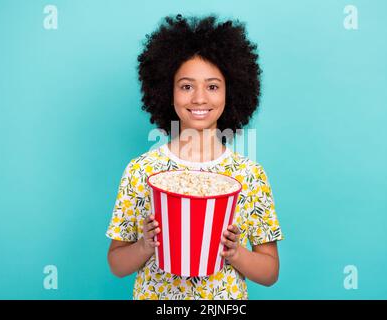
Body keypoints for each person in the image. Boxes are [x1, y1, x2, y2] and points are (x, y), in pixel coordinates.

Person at [106, 14, 284, 300]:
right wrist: (144, 246)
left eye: (212, 86)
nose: (199, 98)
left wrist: (236, 253)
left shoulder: (250, 175)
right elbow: (116, 264)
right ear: (167, 92)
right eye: (186, 86)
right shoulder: (141, 170)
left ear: (231, 92)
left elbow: (270, 272)